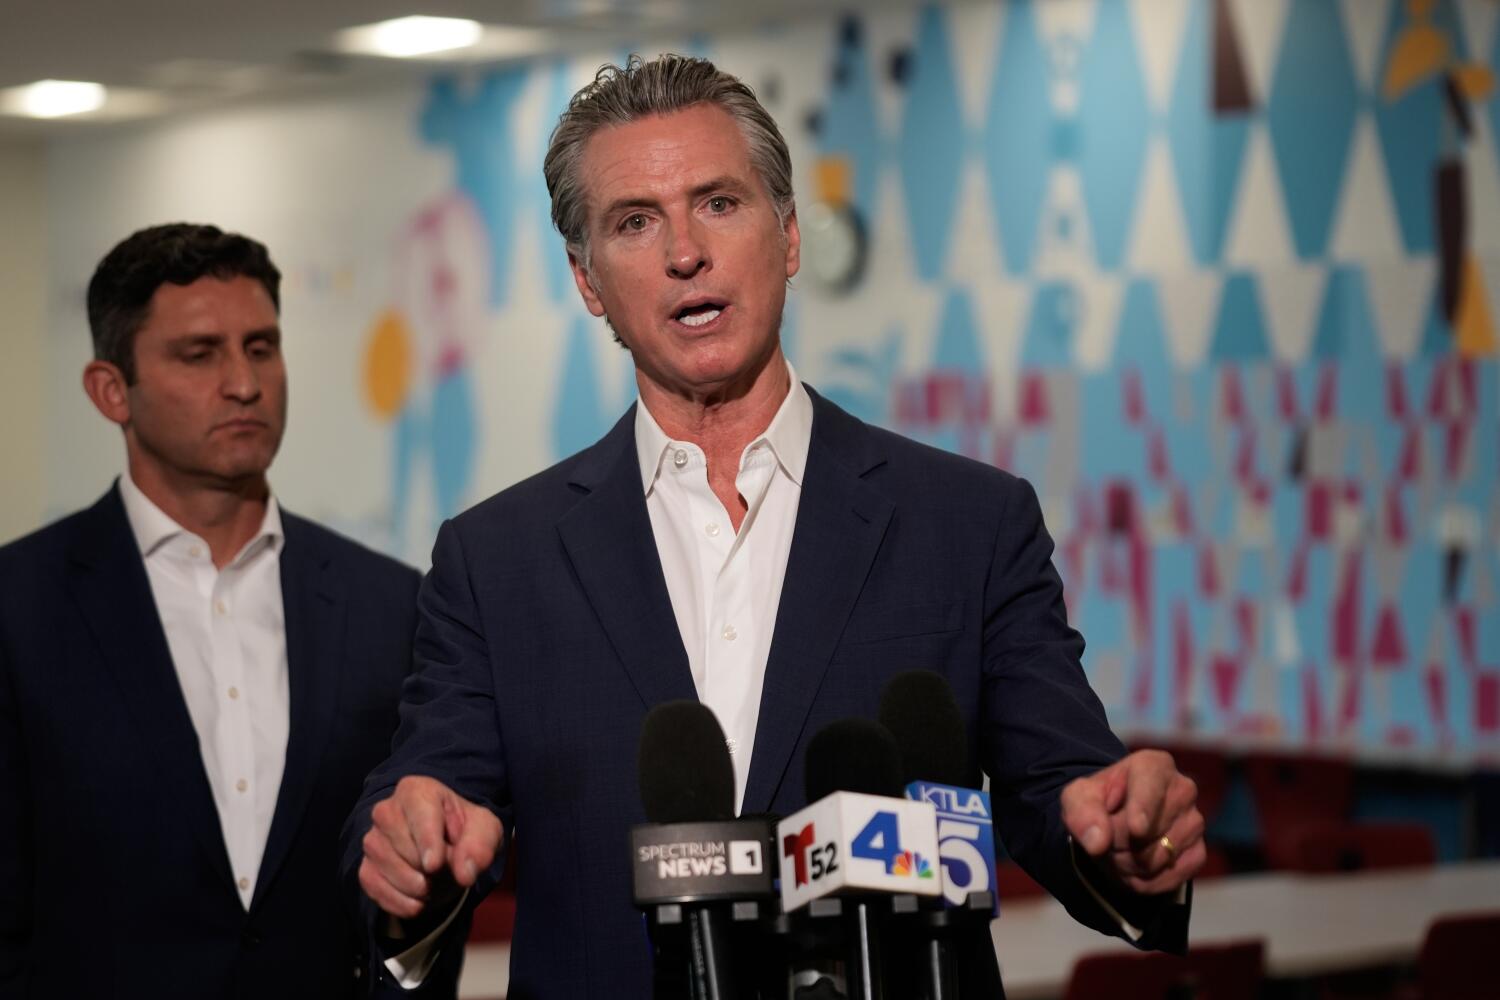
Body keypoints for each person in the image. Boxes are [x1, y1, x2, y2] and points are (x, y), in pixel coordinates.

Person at [347, 55, 1204, 997]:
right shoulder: (495, 559)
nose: (685, 252)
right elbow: (419, 800)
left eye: (718, 202)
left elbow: (1064, 792)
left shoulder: (969, 521)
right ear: (588, 281)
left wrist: (1121, 834)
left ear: (789, 235)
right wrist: (408, 853)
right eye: (635, 222)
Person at [0, 224, 436, 999]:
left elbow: (418, 893)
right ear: (110, 391)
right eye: (199, 354)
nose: (244, 383)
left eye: (262, 347)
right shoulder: (19, 607)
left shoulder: (391, 605)